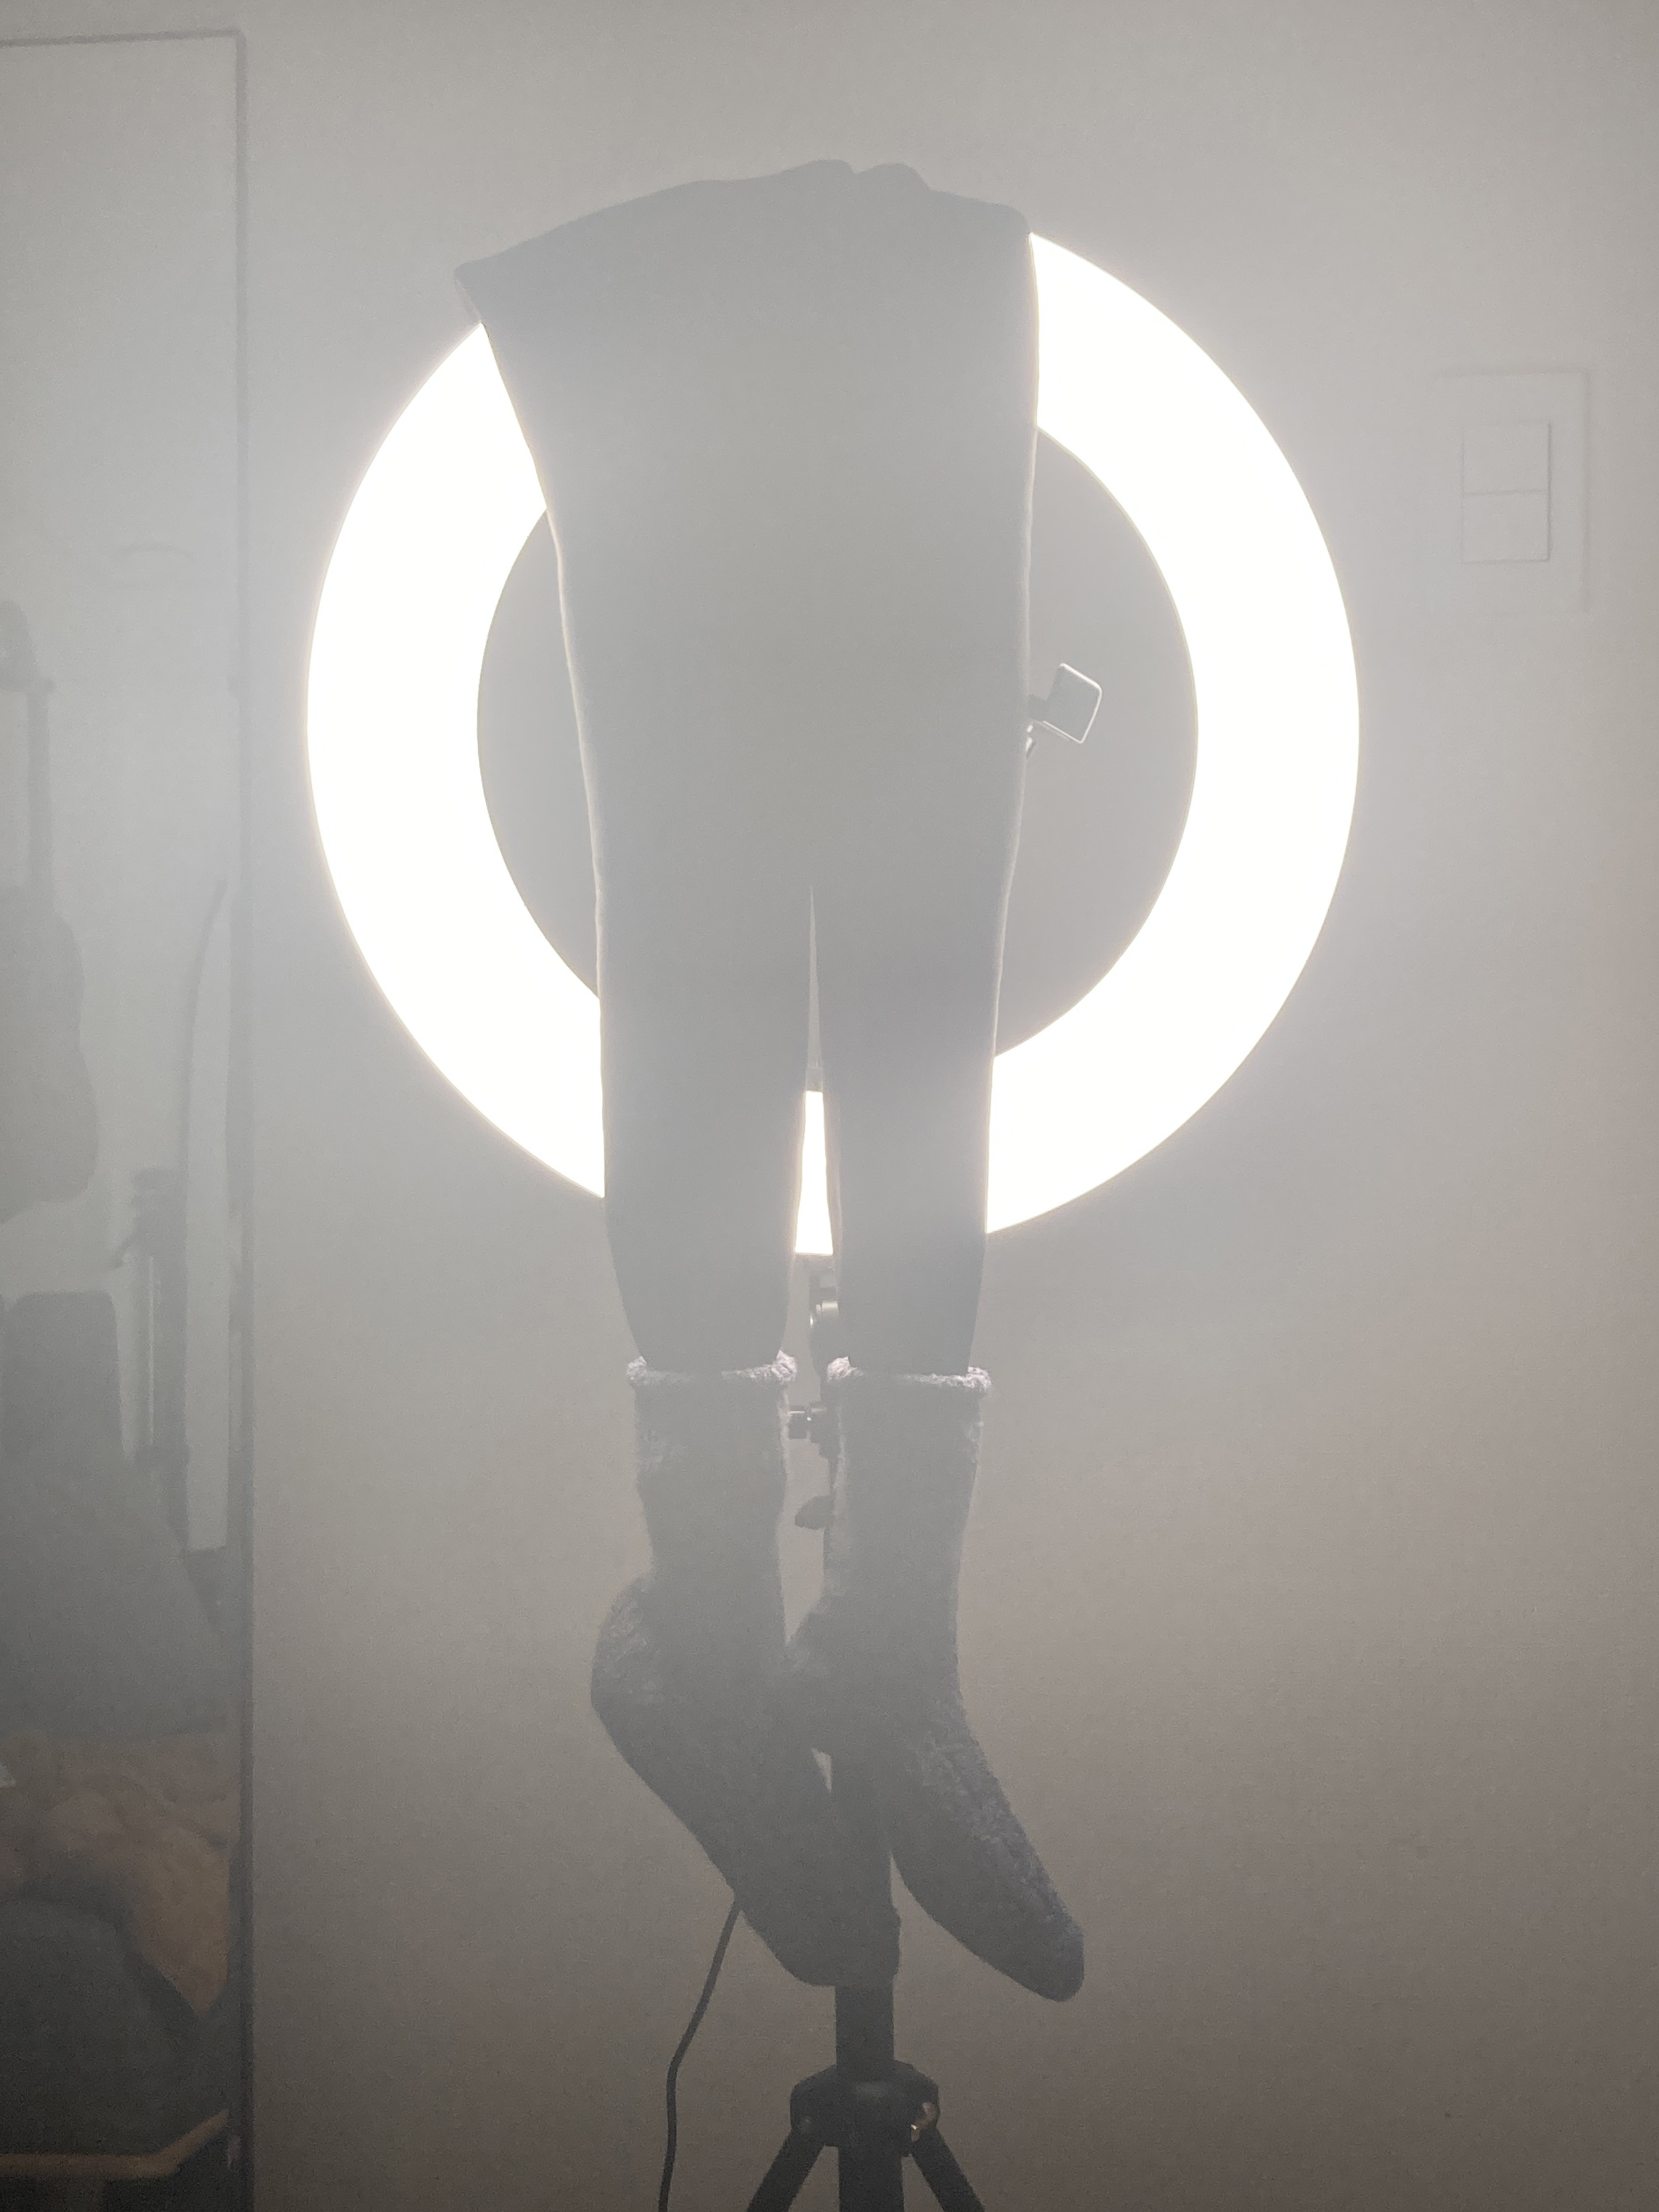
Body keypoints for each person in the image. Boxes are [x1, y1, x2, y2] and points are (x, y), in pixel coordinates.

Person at [457, 160, 1082, 2001]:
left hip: (873, 318)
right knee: (710, 907)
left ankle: (840, 1646)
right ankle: (750, 1645)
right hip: (714, 324)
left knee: (887, 944)